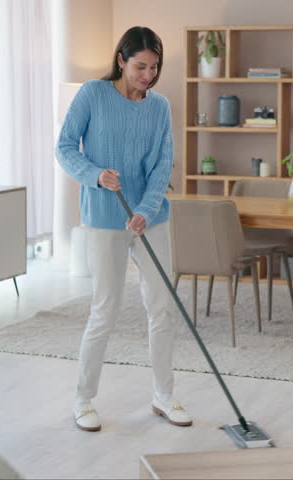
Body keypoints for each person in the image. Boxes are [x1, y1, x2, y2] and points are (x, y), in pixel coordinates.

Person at [56, 26, 191, 432]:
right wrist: (96, 175)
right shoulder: (92, 95)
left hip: (150, 220)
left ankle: (164, 396)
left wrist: (146, 211)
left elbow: (162, 163)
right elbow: (64, 147)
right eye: (139, 67)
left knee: (162, 307)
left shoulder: (159, 106)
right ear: (121, 60)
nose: (147, 76)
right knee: (106, 307)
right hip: (104, 217)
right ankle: (83, 400)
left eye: (153, 68)